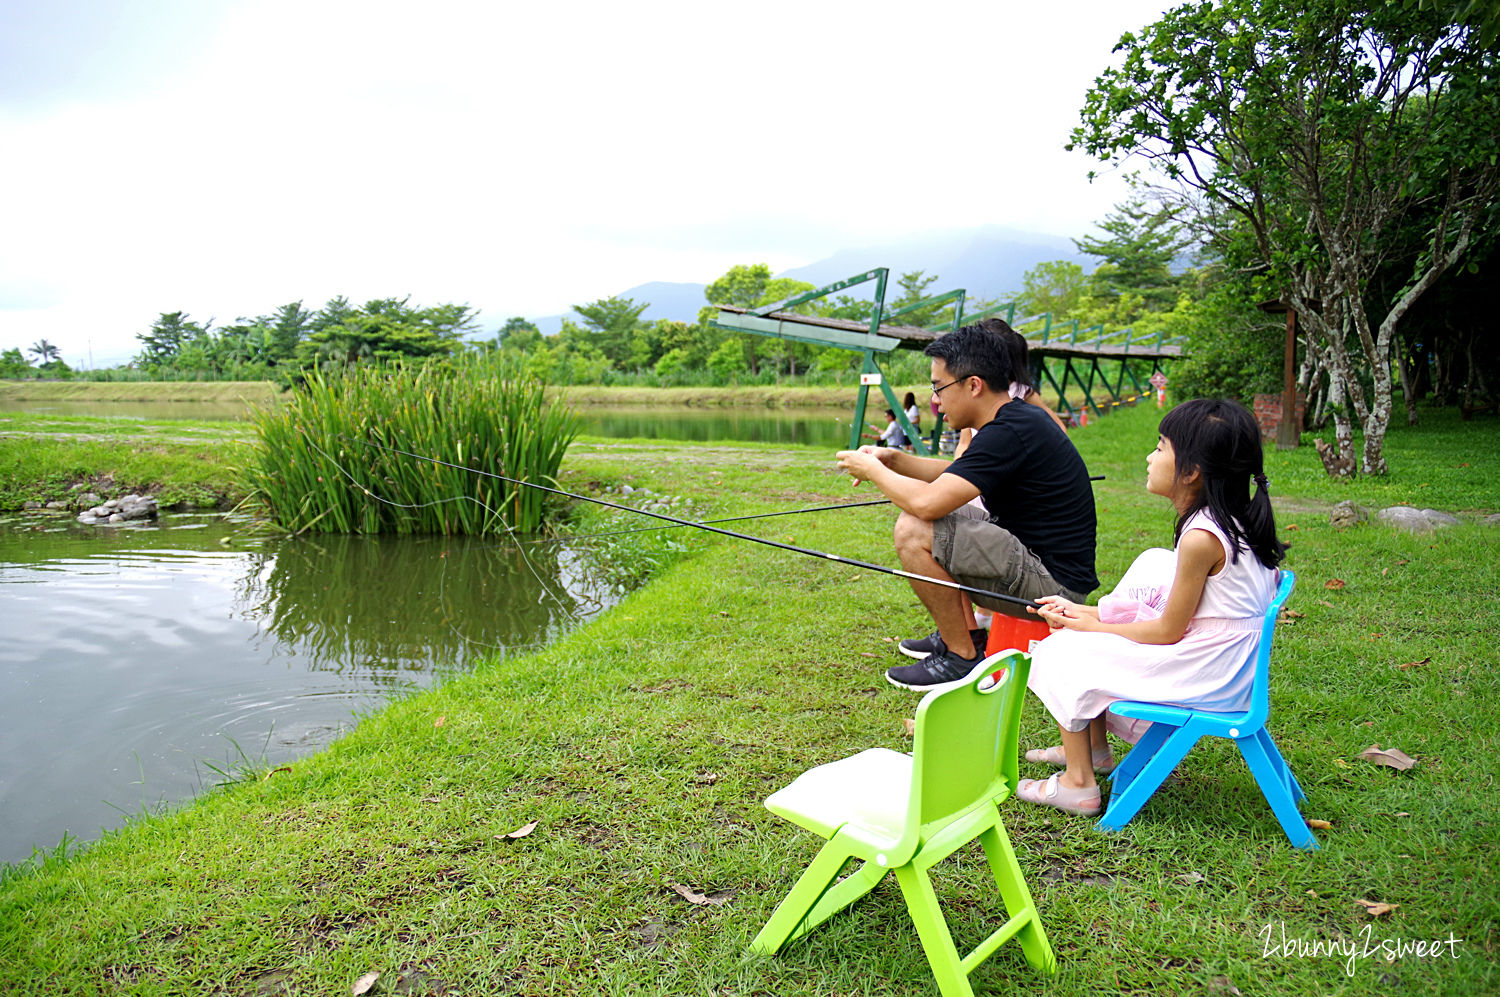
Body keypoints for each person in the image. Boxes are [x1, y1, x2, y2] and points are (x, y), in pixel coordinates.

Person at [1016, 398, 1287, 816]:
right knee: (1089, 628)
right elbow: (1179, 618)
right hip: (1223, 663)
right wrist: (1085, 613)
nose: (1149, 456)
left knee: (1061, 651)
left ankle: (1077, 783)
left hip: (1210, 674)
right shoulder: (1231, 518)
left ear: (1192, 471)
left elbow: (1166, 631)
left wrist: (1086, 628)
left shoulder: (1202, 537)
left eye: (1160, 447)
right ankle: (1095, 749)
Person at [836, 321, 1099, 690]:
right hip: (1044, 569)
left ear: (974, 385)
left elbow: (926, 504)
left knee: (914, 528)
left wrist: (871, 470)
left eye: (939, 388)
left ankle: (960, 657)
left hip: (1055, 589)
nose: (935, 400)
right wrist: (892, 460)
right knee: (935, 516)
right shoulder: (1014, 420)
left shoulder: (1009, 430)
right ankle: (964, 640)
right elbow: (956, 475)